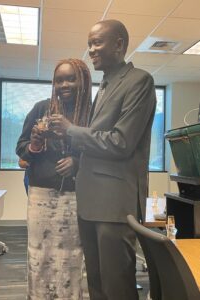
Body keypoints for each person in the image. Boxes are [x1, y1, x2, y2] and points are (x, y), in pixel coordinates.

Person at [50, 20, 157, 300]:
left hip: (114, 204)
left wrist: (71, 130)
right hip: (90, 203)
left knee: (116, 287)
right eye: (89, 44)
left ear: (119, 44)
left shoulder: (139, 81)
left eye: (97, 43)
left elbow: (121, 142)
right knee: (96, 284)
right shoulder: (105, 86)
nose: (91, 50)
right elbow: (99, 139)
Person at [16, 58, 92, 300]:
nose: (65, 84)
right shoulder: (41, 108)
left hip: (76, 195)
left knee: (70, 257)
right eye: (59, 80)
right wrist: (36, 144)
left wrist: (77, 163)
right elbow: (21, 148)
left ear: (83, 81)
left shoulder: (92, 113)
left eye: (71, 79)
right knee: (39, 255)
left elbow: (102, 151)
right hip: (41, 194)